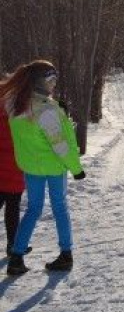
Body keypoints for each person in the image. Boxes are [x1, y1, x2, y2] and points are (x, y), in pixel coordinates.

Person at [2, 60, 85, 275]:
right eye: (50, 79)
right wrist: (76, 168)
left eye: (55, 79)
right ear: (39, 82)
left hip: (31, 168)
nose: (53, 84)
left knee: (33, 209)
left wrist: (59, 111)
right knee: (59, 207)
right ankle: (66, 254)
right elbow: (60, 145)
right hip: (54, 167)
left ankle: (16, 256)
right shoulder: (46, 111)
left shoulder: (16, 105)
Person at [0, 91, 26, 258]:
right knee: (13, 208)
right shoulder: (21, 116)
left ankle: (13, 244)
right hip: (16, 168)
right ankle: (12, 245)